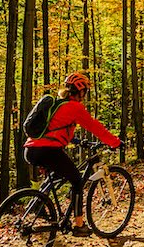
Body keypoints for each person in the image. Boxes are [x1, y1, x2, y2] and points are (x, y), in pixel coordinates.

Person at [23, 71, 122, 237]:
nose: (85, 95)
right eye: (85, 92)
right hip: (48, 150)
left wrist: (78, 141)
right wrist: (115, 142)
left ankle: (39, 205)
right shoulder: (75, 107)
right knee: (77, 180)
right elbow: (94, 127)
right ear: (81, 91)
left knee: (57, 176)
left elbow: (55, 131)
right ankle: (79, 225)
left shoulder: (58, 105)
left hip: (31, 149)